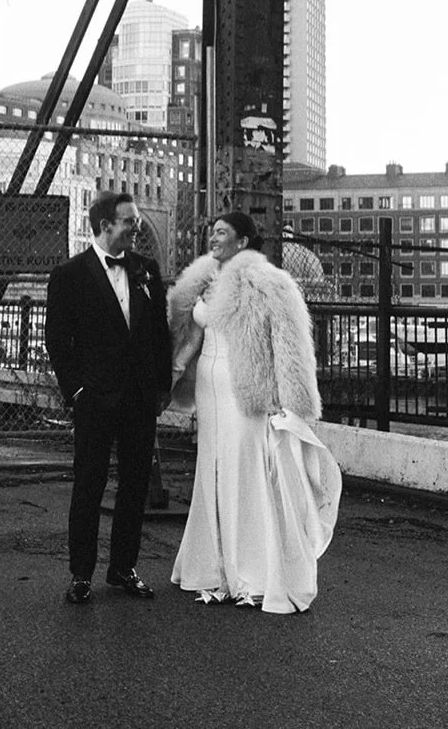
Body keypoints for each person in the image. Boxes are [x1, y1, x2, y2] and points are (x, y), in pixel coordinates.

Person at [168, 211, 342, 614]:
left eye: (223, 233)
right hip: (210, 393)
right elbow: (190, 336)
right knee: (212, 473)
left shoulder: (268, 283)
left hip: (243, 390)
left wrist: (291, 399)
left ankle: (253, 575)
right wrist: (172, 377)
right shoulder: (203, 282)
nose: (213, 238)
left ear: (243, 241)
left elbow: (289, 341)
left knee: (246, 476)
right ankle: (216, 572)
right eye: (211, 231)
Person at [45, 190, 172, 604]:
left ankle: (123, 568)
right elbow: (57, 341)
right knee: (89, 485)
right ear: (105, 226)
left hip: (139, 399)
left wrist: (161, 388)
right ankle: (81, 573)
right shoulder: (70, 275)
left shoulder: (146, 270)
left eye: (135, 221)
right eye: (129, 221)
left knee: (134, 486)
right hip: (95, 398)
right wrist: (76, 391)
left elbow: (159, 334)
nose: (136, 228)